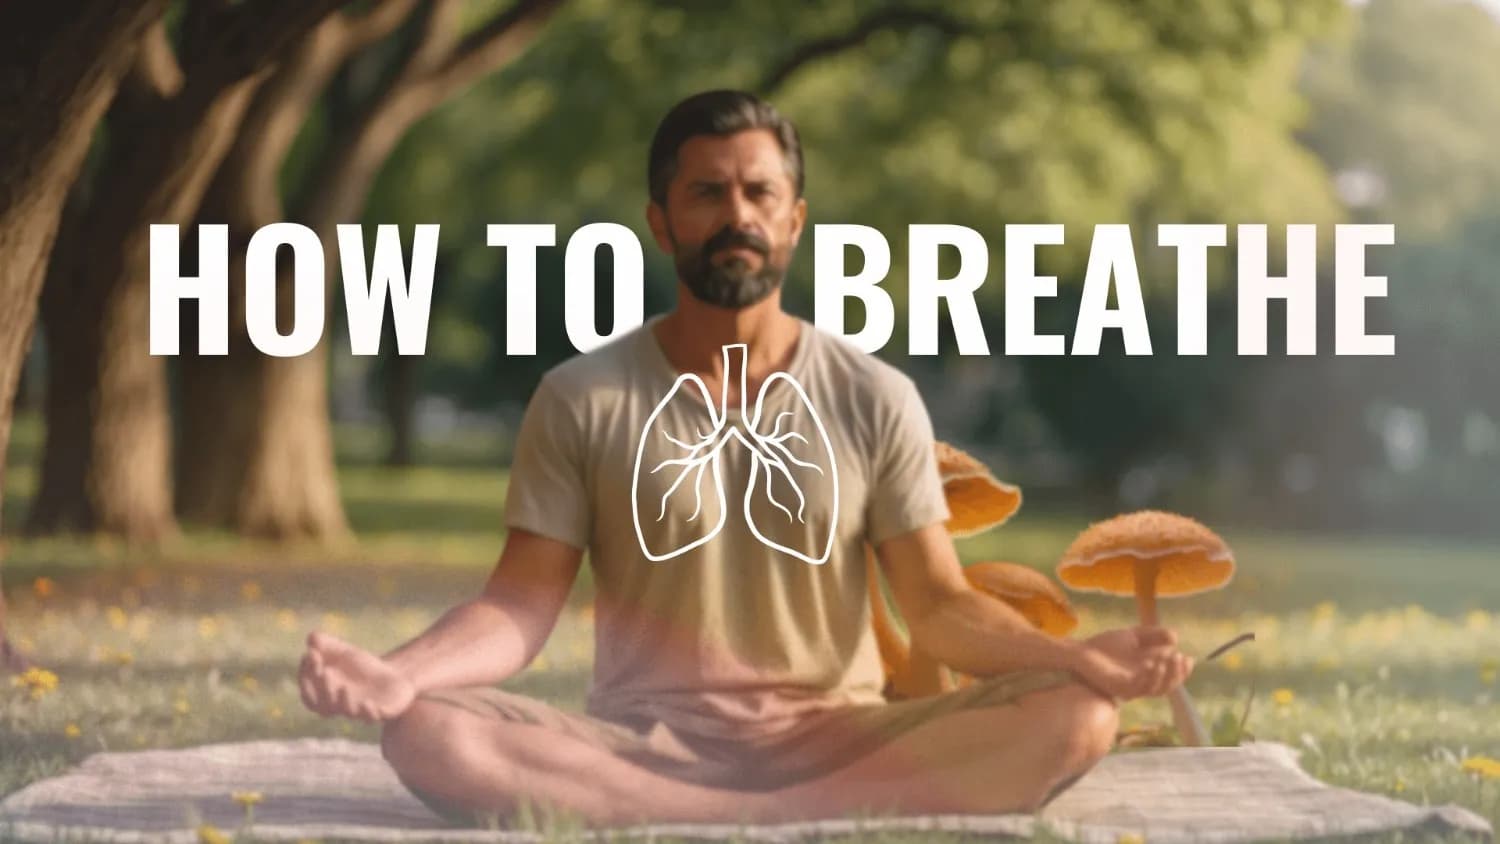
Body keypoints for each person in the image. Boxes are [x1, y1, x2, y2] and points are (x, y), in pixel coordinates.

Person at [297, 89, 1194, 828]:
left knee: (1079, 717)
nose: (738, 215)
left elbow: (938, 605)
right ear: (661, 221)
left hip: (844, 735)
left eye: (760, 194)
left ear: (794, 220)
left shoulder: (873, 394)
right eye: (708, 194)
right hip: (643, 741)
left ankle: (736, 813)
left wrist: (1079, 661)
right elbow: (521, 604)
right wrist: (400, 673)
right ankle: (764, 814)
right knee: (428, 733)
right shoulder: (583, 397)